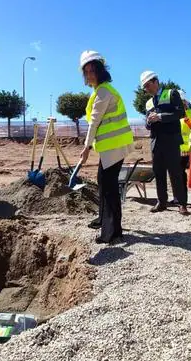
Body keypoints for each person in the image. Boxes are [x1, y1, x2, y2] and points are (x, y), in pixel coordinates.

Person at [79, 50, 134, 244]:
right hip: (110, 146)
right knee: (102, 180)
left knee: (110, 186)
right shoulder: (99, 90)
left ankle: (113, 232)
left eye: (93, 70)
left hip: (114, 145)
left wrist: (86, 148)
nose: (90, 75)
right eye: (87, 71)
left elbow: (94, 122)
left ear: (101, 71)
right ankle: (103, 219)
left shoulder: (103, 91)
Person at [141, 71, 188, 215]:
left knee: (175, 172)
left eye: (148, 85)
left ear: (155, 82)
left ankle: (181, 203)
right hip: (156, 141)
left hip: (171, 140)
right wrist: (148, 122)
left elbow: (180, 113)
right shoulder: (149, 102)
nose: (147, 89)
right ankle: (161, 202)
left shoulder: (171, 93)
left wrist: (160, 117)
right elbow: (148, 123)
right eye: (144, 87)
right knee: (159, 172)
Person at [176, 90, 191, 204]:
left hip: (185, 149)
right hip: (174, 148)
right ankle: (177, 197)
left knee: (180, 174)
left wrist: (188, 149)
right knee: (175, 174)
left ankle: (182, 199)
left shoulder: (189, 114)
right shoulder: (175, 113)